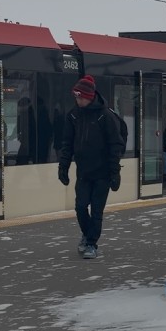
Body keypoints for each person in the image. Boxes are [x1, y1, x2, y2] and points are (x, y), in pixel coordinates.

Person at [58, 75, 124, 260]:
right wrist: (63, 166)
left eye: (80, 97)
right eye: (76, 97)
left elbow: (115, 145)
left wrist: (115, 172)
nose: (77, 101)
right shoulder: (73, 115)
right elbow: (67, 143)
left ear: (89, 96)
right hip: (84, 172)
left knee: (96, 210)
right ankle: (87, 235)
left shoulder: (106, 116)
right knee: (80, 207)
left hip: (102, 172)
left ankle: (91, 243)